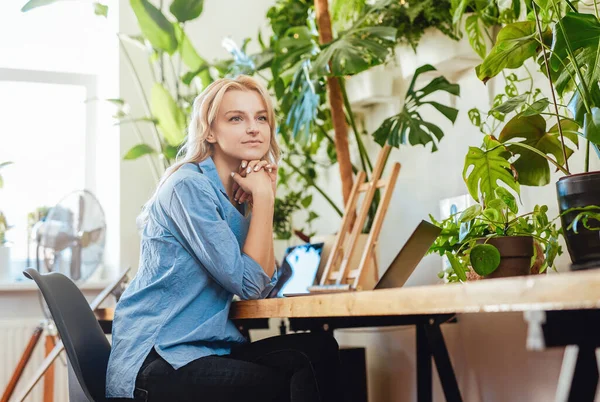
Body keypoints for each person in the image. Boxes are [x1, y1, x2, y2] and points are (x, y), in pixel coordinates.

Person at [106, 75, 343, 402]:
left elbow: (260, 283)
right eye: (236, 118)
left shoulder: (235, 194)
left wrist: (259, 200)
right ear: (210, 131)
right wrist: (265, 201)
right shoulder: (188, 187)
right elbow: (249, 284)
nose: (254, 128)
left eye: (261, 118)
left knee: (318, 350)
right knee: (274, 386)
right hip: (159, 358)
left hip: (204, 349)